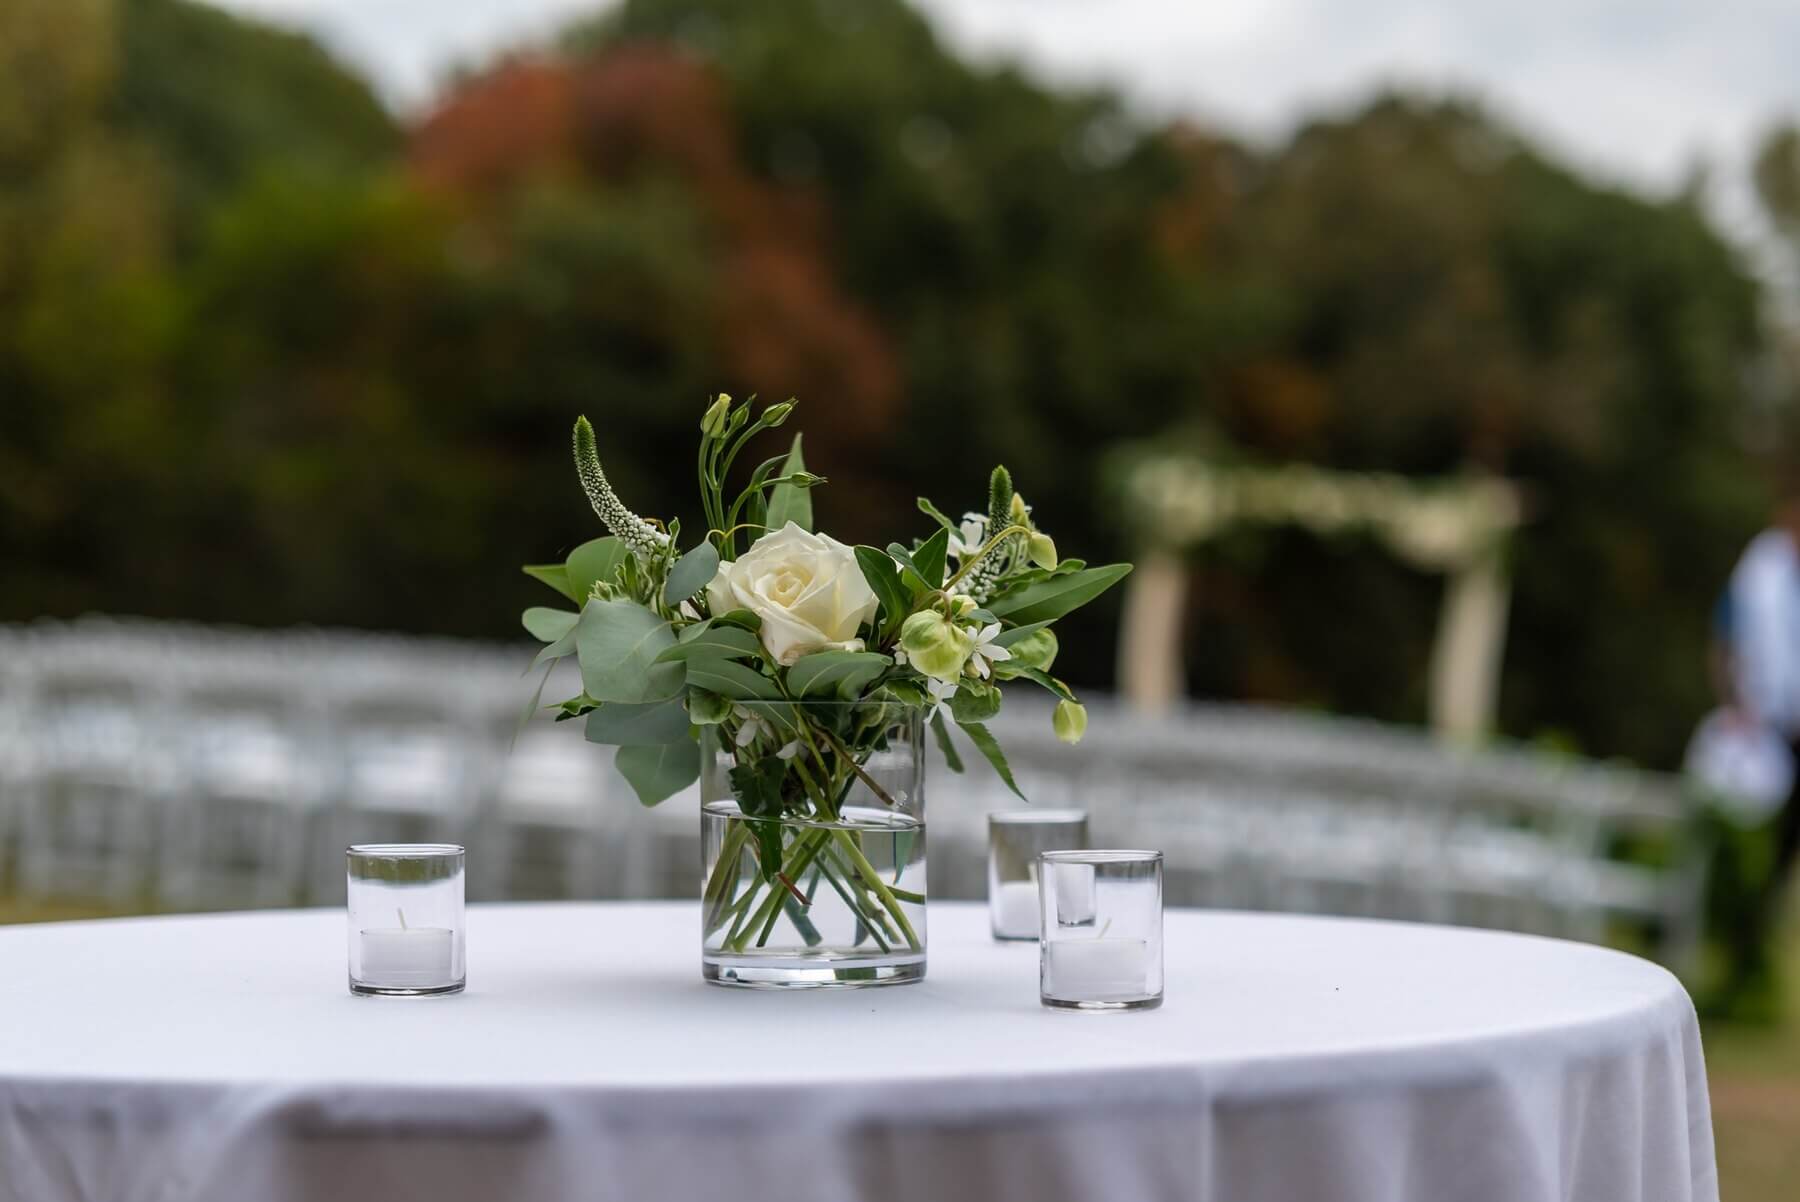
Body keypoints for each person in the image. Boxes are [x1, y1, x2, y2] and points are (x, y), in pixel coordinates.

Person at [1703, 490, 1800, 1016]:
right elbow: (1723, 638)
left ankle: (1761, 958)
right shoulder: (1759, 571)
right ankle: (1739, 957)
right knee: (1753, 852)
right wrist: (1734, 704)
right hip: (1764, 733)